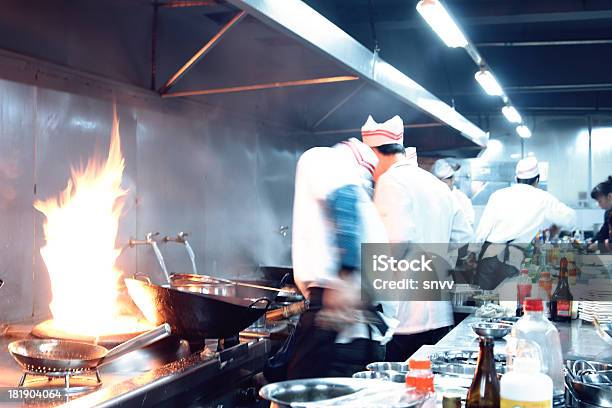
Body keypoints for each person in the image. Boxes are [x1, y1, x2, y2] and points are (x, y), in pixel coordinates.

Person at [362, 115, 473, 362]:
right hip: (439, 314)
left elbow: (396, 244)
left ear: (374, 152)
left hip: (404, 320)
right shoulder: (436, 185)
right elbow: (464, 239)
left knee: (401, 393)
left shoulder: (390, 181)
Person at [288, 137, 398, 379]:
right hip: (365, 330)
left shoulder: (322, 157)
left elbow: (344, 196)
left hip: (340, 321)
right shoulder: (364, 205)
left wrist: (346, 275)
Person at [472, 157, 576, 289]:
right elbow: (570, 219)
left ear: (516, 179)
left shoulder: (498, 195)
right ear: (537, 179)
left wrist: (472, 252)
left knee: (482, 301)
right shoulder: (544, 198)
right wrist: (556, 226)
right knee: (506, 302)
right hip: (513, 258)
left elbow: (483, 229)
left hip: (489, 255)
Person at [432, 158, 475, 229]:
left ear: (452, 180)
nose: (442, 184)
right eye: (439, 180)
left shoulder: (461, 198)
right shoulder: (432, 196)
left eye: (445, 180)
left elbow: (469, 222)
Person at [588, 176, 612, 252]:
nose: (599, 205)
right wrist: (591, 241)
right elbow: (603, 233)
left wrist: (598, 245)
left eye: (600, 201)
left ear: (610, 197)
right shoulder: (608, 213)